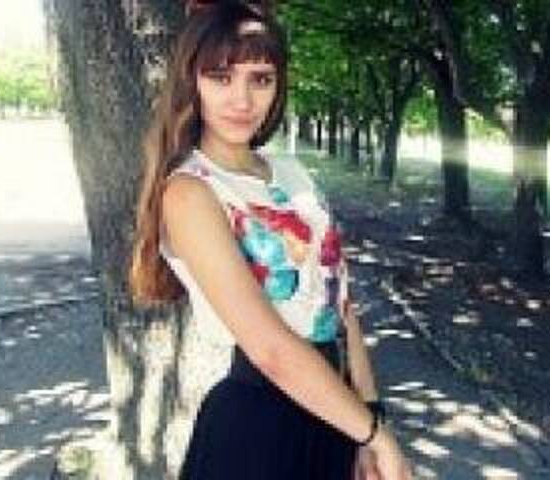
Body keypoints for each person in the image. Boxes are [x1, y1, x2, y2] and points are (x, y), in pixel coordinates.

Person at [129, 0, 413, 478]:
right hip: (260, 430)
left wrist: (370, 413)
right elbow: (269, 348)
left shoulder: (292, 172)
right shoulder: (191, 191)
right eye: (221, 77)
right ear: (191, 81)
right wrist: (375, 435)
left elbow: (341, 304)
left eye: (260, 79)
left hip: (337, 414)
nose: (242, 100)